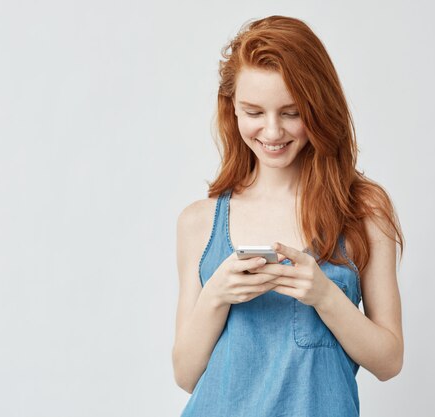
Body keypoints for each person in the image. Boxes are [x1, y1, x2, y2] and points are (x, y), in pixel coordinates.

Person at [172, 15, 405, 417]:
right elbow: (186, 374)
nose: (272, 130)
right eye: (254, 112)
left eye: (291, 112)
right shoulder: (200, 222)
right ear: (233, 111)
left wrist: (324, 295)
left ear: (318, 108)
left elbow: (389, 361)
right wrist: (217, 294)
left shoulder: (364, 211)